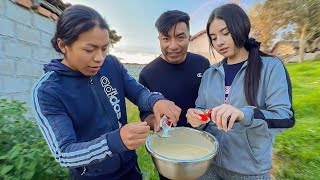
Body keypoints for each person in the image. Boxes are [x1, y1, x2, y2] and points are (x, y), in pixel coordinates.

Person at [31, 5, 181, 180]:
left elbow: (138, 93)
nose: (99, 58)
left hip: (130, 169)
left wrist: (156, 101)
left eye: (104, 48)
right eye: (89, 49)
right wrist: (115, 141)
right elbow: (64, 153)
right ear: (63, 45)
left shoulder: (111, 65)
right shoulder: (47, 91)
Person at [186, 4, 295, 180]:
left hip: (249, 171)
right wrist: (196, 117)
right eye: (213, 38)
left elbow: (284, 118)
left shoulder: (270, 67)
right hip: (208, 166)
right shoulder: (209, 74)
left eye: (225, 33)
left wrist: (244, 115)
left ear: (241, 27)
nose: (219, 42)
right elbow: (202, 111)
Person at [138, 10, 210, 180]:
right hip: (168, 149)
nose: (173, 45)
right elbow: (144, 115)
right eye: (166, 38)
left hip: (201, 144)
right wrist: (156, 122)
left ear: (189, 37)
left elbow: (212, 99)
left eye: (180, 37)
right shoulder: (148, 74)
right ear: (159, 40)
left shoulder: (202, 64)